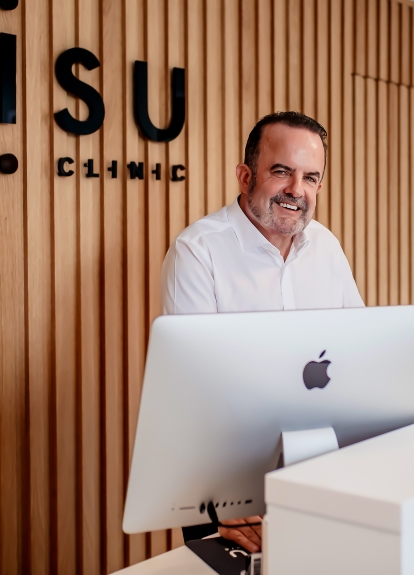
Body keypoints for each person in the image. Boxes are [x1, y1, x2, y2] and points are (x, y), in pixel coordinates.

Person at [160, 111, 364, 552]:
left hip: (318, 473)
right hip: (229, 487)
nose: (297, 189)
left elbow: (359, 356)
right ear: (245, 175)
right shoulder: (197, 251)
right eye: (282, 171)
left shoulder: (326, 247)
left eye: (310, 177)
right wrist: (224, 496)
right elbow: (192, 393)